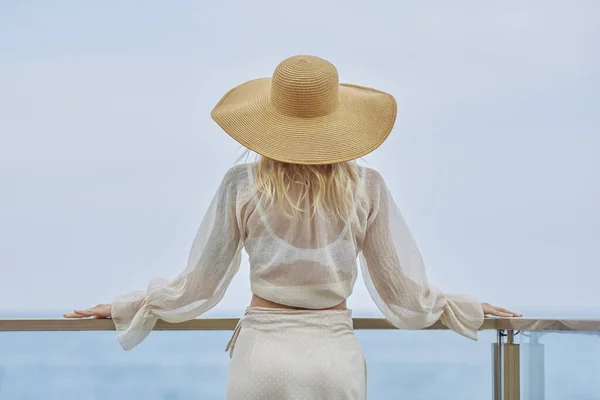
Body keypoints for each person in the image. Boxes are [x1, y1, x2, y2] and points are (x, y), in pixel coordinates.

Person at [65, 55, 521, 399]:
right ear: (337, 121)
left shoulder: (241, 185)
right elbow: (403, 293)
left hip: (262, 358)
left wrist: (130, 306)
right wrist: (464, 308)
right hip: (333, 359)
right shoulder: (367, 188)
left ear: (269, 120)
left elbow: (197, 286)